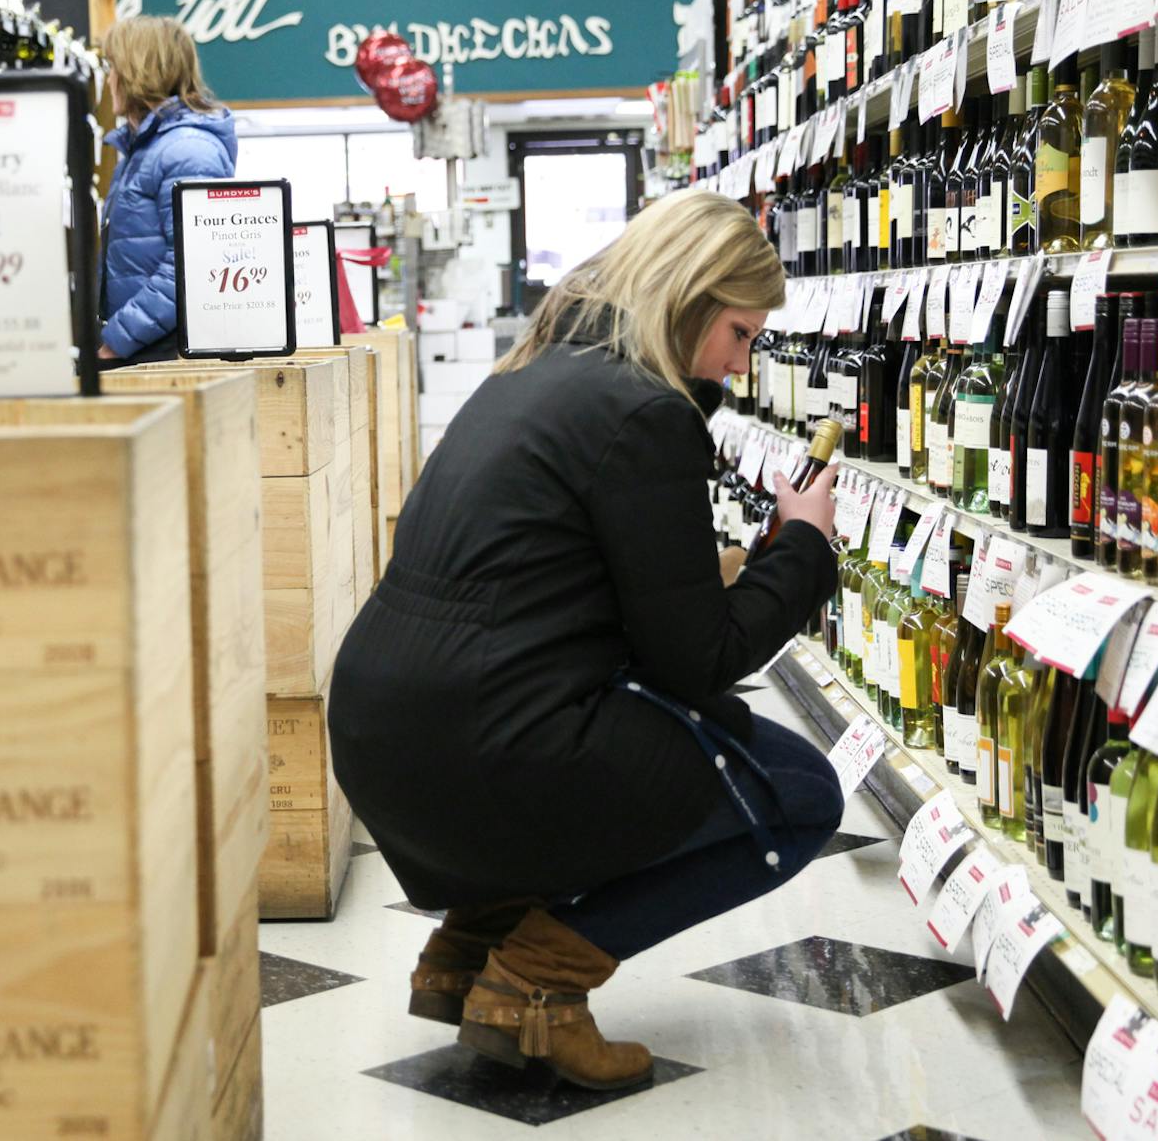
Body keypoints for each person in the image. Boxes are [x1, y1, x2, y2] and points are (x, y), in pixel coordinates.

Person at [328, 190, 845, 1091]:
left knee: (658, 741)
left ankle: (475, 937)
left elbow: (582, 591)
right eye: (740, 333)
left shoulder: (540, 366)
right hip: (480, 745)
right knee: (795, 793)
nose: (743, 360)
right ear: (688, 299)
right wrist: (804, 544)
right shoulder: (645, 412)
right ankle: (538, 984)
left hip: (385, 738)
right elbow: (698, 661)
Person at [96, 15, 238, 364]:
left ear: (137, 71)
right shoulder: (144, 148)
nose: (108, 79)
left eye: (113, 67)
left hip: (161, 352)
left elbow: (192, 266)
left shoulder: (187, 151)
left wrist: (117, 341)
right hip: (143, 346)